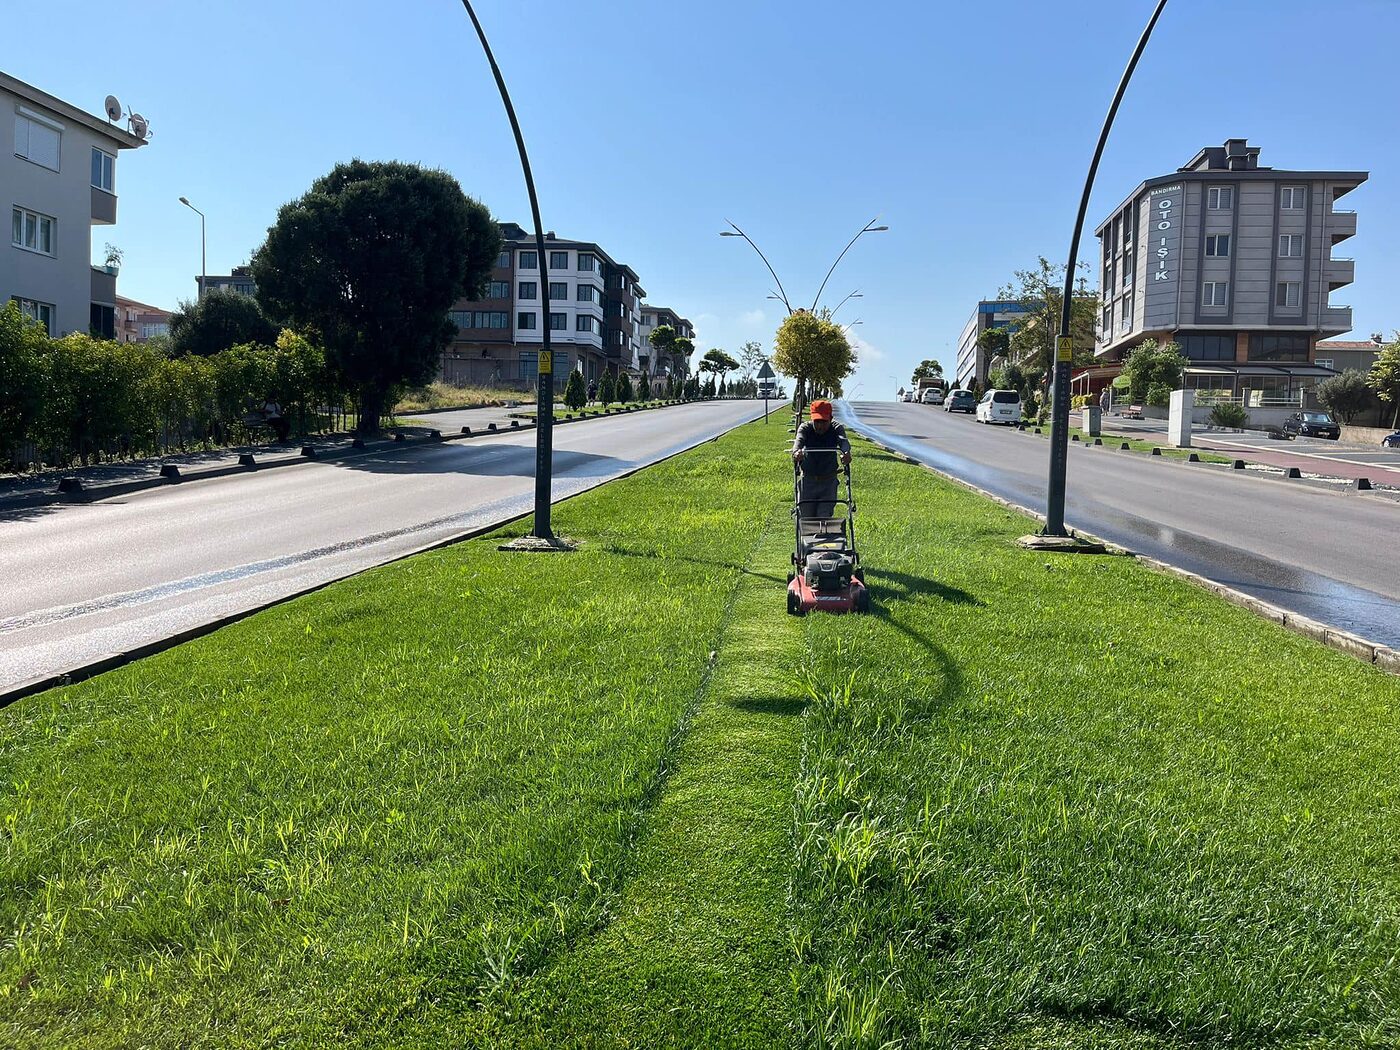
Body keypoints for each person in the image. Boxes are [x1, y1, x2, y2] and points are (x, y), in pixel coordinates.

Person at [791, 399, 851, 519]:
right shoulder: (805, 428)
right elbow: (799, 441)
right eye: (817, 421)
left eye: (824, 422)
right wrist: (797, 452)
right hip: (807, 481)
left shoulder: (836, 428)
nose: (820, 425)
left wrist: (846, 453)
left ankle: (824, 536)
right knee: (805, 517)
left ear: (831, 418)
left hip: (828, 482)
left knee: (823, 517)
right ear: (812, 418)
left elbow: (843, 442)